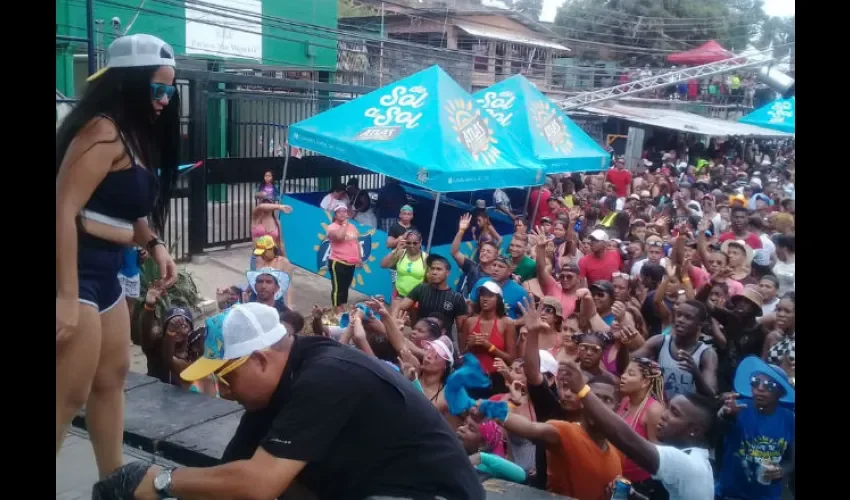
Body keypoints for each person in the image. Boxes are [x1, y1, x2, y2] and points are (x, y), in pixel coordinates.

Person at [123, 302, 485, 499]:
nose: (223, 389)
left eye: (226, 375)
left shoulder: (326, 376)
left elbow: (256, 485)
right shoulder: (281, 381)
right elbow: (232, 473)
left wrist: (162, 481)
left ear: (260, 360)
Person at [56, 33, 180, 476]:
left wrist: (155, 245)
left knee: (111, 380)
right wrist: (66, 298)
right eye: (158, 88)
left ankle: (112, 482)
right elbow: (63, 209)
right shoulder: (102, 131)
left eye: (171, 89)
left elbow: (127, 209)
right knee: (68, 394)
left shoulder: (134, 137)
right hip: (74, 273)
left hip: (106, 276)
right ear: (129, 82)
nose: (166, 98)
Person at [557, 360, 717, 500]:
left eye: (675, 413)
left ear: (695, 431)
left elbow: (625, 437)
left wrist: (583, 390)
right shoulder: (697, 459)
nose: (664, 416)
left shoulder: (687, 465)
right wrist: (634, 496)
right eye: (668, 409)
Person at [715, 356, 795, 500]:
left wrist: (782, 470)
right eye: (755, 382)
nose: (760, 388)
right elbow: (717, 430)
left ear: (781, 393)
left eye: (769, 385)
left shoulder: (789, 419)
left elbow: (790, 459)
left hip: (767, 496)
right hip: (730, 494)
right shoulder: (738, 407)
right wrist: (727, 416)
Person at [632, 300, 719, 399]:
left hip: (685, 413)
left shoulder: (706, 354)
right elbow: (627, 365)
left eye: (688, 317)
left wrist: (696, 373)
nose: (680, 320)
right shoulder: (659, 341)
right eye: (679, 315)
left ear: (700, 324)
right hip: (658, 409)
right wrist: (624, 345)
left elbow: (711, 394)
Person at [616, 358, 666, 499]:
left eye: (631, 374)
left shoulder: (654, 410)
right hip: (619, 476)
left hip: (639, 483)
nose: (623, 376)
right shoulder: (626, 400)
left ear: (645, 382)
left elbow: (657, 454)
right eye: (625, 372)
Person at [461, 281, 517, 396]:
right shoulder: (469, 322)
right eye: (482, 295)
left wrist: (489, 347)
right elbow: (462, 355)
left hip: (497, 378)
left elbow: (511, 359)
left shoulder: (506, 323)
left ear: (498, 299)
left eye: (490, 296)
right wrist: (470, 346)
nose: (485, 299)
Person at [397, 254, 468, 335]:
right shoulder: (420, 289)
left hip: (441, 342)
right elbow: (402, 307)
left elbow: (461, 330)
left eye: (438, 269)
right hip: (420, 338)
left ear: (448, 272)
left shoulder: (456, 298)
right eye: (432, 269)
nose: (434, 272)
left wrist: (461, 347)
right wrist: (411, 319)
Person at [325, 206, 362, 313]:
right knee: (338, 288)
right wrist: (344, 224)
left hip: (351, 263)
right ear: (335, 214)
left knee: (345, 288)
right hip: (338, 261)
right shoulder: (332, 227)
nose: (342, 214)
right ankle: (337, 311)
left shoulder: (353, 227)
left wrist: (359, 258)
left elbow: (356, 242)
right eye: (339, 212)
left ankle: (343, 309)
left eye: (344, 211)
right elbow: (340, 237)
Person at [452, 214, 498, 298]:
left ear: (495, 256)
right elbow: (454, 252)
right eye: (483, 250)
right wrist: (461, 231)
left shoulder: (498, 275)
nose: (484, 253)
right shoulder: (471, 266)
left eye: (488, 251)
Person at [468, 255, 527, 320]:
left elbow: (528, 317)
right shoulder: (481, 282)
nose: (495, 269)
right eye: (494, 265)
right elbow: (472, 306)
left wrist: (514, 323)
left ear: (509, 271)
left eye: (501, 266)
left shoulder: (519, 292)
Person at [380, 229, 427, 305]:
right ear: (405, 242)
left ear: (420, 242)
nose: (412, 246)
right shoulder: (401, 253)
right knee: (394, 316)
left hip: (416, 299)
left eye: (415, 243)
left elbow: (428, 281)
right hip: (399, 295)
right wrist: (396, 249)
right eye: (408, 243)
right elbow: (383, 265)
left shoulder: (425, 258)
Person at [251, 236, 294, 307]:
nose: (262, 255)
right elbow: (255, 279)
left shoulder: (283, 262)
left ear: (271, 250)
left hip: (276, 299)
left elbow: (288, 286)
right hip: (260, 297)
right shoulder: (259, 259)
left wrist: (288, 305)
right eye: (260, 253)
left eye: (264, 253)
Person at [250, 196, 293, 262]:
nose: (267, 205)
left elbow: (280, 243)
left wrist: (285, 259)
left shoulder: (277, 222)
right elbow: (261, 206)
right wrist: (280, 207)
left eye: (269, 203)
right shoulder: (256, 218)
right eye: (265, 203)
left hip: (272, 258)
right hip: (258, 257)